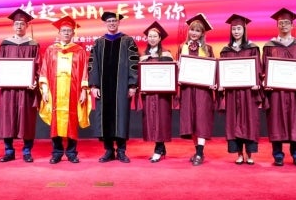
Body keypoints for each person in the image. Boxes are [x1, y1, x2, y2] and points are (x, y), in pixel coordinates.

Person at [262, 8, 296, 167]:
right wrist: (266, 82)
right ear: (277, 25)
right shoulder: (269, 45)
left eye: (287, 23)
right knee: (276, 121)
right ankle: (278, 155)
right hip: (276, 92)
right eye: (281, 23)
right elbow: (264, 68)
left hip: (295, 92)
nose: (283, 25)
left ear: (292, 25)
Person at [39, 16, 91, 164]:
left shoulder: (79, 51)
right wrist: (44, 89)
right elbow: (44, 71)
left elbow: (84, 72)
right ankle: (56, 152)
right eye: (64, 31)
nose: (66, 33)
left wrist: (83, 90)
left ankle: (72, 152)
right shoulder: (51, 50)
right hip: (54, 91)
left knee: (72, 120)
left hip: (73, 91)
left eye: (69, 31)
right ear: (59, 33)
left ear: (73, 33)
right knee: (56, 121)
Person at [88, 11, 139, 163]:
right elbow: (93, 64)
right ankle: (109, 150)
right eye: (109, 21)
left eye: (114, 21)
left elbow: (133, 64)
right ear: (105, 23)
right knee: (104, 118)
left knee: (121, 117)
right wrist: (94, 85)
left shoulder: (127, 41)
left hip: (121, 86)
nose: (112, 23)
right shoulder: (99, 42)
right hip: (103, 88)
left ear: (118, 23)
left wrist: (132, 84)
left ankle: (122, 151)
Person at [0, 8, 40, 163]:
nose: (19, 26)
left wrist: (34, 80)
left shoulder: (33, 44)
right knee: (7, 119)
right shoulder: (6, 44)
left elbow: (37, 65)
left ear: (27, 26)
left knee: (26, 119)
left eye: (22, 23)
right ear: (13, 26)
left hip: (26, 90)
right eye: (17, 24)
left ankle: (27, 151)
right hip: (8, 89)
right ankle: (9, 151)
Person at [218, 14, 262, 165]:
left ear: (244, 30)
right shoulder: (225, 50)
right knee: (234, 122)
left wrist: (257, 82)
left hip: (248, 92)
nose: (236, 31)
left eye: (239, 28)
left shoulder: (253, 48)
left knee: (249, 121)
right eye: (233, 29)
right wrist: (221, 83)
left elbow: (258, 69)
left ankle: (249, 154)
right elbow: (222, 70)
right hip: (232, 92)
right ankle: (239, 154)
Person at [178, 13, 216, 166]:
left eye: (198, 30)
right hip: (187, 90)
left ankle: (200, 153)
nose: (194, 33)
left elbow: (214, 69)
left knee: (201, 120)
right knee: (192, 122)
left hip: (202, 91)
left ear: (202, 33)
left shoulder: (208, 49)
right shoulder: (182, 47)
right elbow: (177, 71)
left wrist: (213, 82)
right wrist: (178, 70)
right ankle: (198, 151)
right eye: (192, 30)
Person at [139, 21, 174, 163]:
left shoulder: (166, 55)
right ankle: (161, 147)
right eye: (150, 36)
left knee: (161, 120)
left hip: (162, 95)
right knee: (152, 120)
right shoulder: (143, 56)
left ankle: (158, 149)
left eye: (155, 36)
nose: (152, 38)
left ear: (160, 38)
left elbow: (171, 74)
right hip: (149, 94)